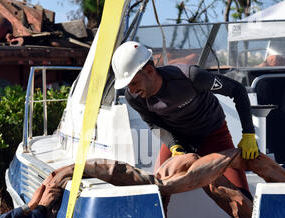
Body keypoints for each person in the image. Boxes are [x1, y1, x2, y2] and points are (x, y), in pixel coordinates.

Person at [111, 41, 259, 198]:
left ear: (149, 70)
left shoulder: (191, 77)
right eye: (128, 85)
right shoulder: (134, 97)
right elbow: (153, 123)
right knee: (157, 193)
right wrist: (174, 146)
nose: (132, 90)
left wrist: (248, 134)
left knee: (242, 196)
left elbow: (237, 90)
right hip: (177, 140)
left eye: (134, 83)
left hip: (214, 135)